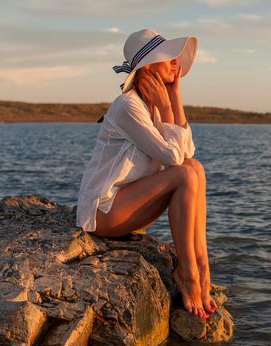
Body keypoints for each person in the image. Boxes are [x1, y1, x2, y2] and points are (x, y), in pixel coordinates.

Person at [75, 28, 217, 320]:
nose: (176, 63)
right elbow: (173, 157)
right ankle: (188, 272)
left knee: (196, 169)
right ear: (148, 68)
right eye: (168, 59)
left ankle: (201, 264)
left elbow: (187, 153)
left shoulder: (150, 106)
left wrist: (174, 96)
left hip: (127, 205)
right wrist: (166, 104)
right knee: (185, 175)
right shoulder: (128, 107)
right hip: (103, 212)